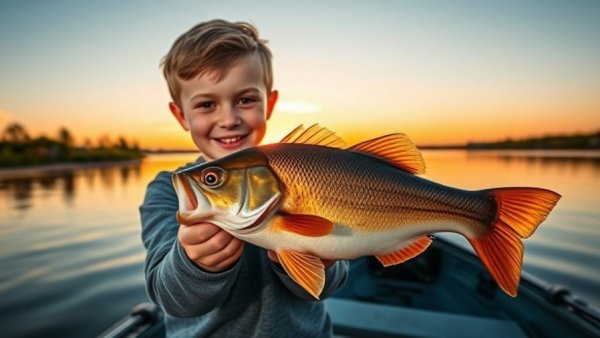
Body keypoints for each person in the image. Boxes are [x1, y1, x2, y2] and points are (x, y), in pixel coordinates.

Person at [139, 19, 349, 337]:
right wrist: (195, 265)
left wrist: (316, 260)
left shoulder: (306, 175)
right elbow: (172, 299)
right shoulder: (169, 192)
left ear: (270, 104)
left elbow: (326, 286)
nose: (229, 119)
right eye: (207, 104)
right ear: (181, 115)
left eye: (245, 100)